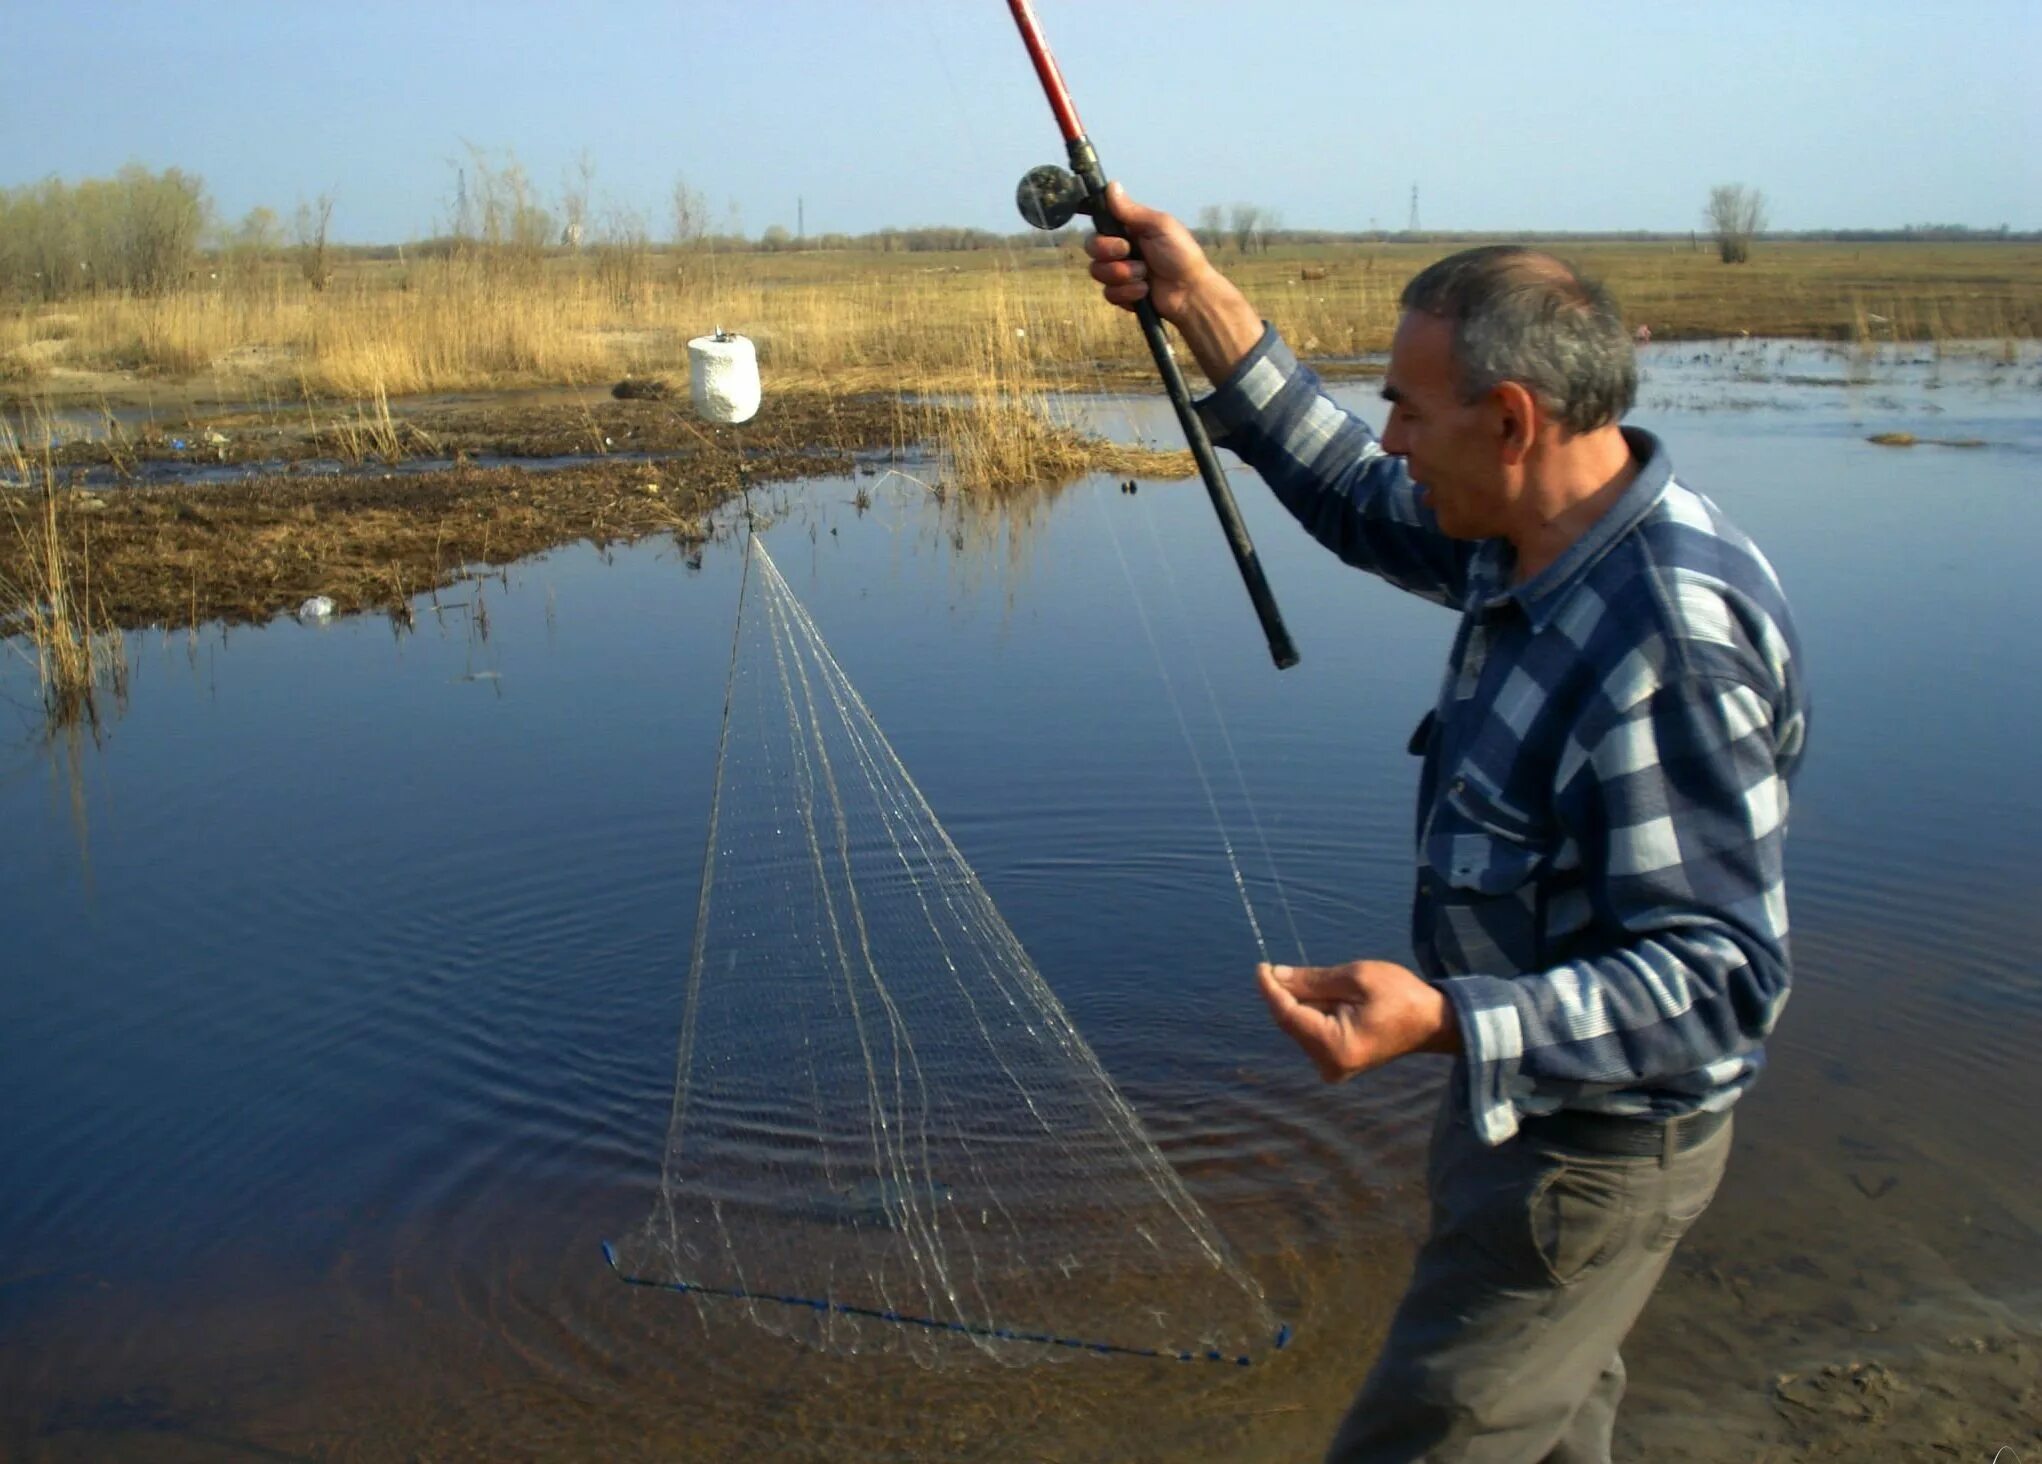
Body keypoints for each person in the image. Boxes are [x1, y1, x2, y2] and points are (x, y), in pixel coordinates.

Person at [1086, 187, 1808, 1463]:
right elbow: (1356, 495)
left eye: (1410, 410)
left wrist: (1445, 1021)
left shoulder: (1663, 646)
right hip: (1529, 1121)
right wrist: (1192, 299)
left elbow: (1719, 983)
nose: (1391, 437)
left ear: (1511, 420)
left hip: (1591, 1154)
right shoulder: (1532, 534)